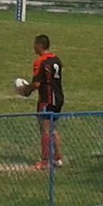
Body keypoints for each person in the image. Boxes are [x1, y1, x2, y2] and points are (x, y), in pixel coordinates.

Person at [20, 34, 64, 169]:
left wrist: (25, 90)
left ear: (39, 45)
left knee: (45, 129)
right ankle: (58, 158)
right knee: (53, 129)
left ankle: (44, 161)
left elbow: (37, 84)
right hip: (58, 97)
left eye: (35, 44)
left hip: (47, 99)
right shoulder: (56, 59)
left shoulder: (40, 62)